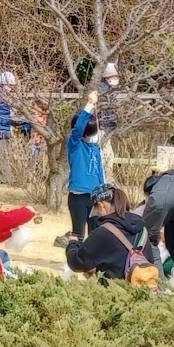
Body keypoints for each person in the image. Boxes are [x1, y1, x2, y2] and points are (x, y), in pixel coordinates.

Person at [66, 184, 159, 284]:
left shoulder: (104, 232)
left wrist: (73, 243)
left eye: (96, 210)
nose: (97, 216)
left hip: (113, 293)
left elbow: (77, 262)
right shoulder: (142, 229)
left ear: (101, 206)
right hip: (140, 291)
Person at [57, 90, 106, 248]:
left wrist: (104, 193)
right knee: (78, 233)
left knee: (96, 233)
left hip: (95, 197)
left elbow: (100, 172)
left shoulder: (95, 148)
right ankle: (72, 263)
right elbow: (78, 129)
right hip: (78, 196)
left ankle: (92, 266)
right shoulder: (75, 145)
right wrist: (90, 104)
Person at [0, 70, 35, 182]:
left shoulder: (1, 97)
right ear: (2, 84)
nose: (10, 88)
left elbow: (8, 118)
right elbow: (3, 118)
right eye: (9, 85)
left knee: (2, 155)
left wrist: (22, 120)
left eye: (11, 86)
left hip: (1, 132)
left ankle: (5, 179)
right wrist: (25, 120)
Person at [96, 61, 121, 177]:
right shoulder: (102, 89)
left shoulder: (109, 89)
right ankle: (107, 178)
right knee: (106, 154)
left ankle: (107, 177)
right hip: (103, 127)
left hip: (107, 126)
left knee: (107, 153)